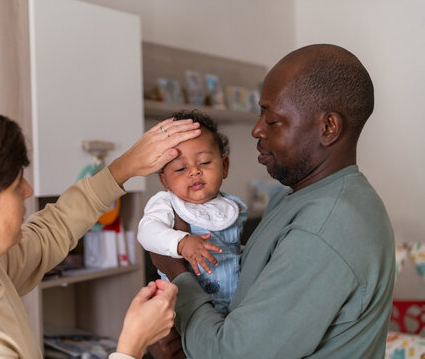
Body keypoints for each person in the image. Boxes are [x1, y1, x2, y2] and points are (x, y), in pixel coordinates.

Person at [0, 103, 201, 358]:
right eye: (14, 184)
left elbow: (51, 230)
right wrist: (131, 345)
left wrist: (124, 167)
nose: (27, 190)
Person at [149, 44, 395, 359]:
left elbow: (233, 353)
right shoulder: (294, 199)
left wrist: (175, 271)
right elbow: (250, 317)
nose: (256, 130)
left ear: (328, 128)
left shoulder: (324, 227)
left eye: (272, 119)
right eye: (259, 113)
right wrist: (184, 343)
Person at [138, 110, 248, 314]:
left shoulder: (231, 206)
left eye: (204, 162)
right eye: (180, 169)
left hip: (234, 306)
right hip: (182, 309)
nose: (194, 171)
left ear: (224, 166)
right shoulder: (167, 203)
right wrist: (181, 242)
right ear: (165, 181)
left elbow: (230, 247)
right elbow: (147, 233)